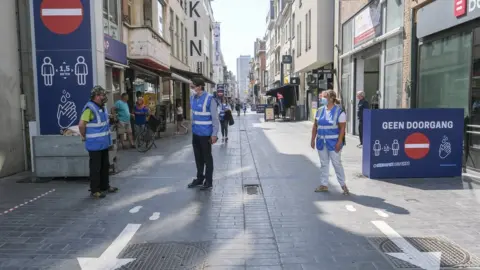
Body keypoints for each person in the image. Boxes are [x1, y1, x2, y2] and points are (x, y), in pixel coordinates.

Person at [78, 86, 118, 199]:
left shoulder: (102, 107)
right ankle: (95, 190)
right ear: (96, 96)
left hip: (104, 143)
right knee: (96, 168)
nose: (104, 97)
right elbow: (81, 124)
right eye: (102, 95)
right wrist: (84, 135)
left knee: (105, 166)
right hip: (94, 144)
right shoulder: (89, 109)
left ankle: (105, 186)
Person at [310, 89, 349, 195]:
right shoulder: (319, 110)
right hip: (321, 142)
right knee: (324, 164)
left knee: (337, 163)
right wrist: (312, 139)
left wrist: (339, 142)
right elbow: (315, 126)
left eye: (324, 97)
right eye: (322, 97)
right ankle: (324, 185)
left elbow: (342, 129)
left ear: (331, 98)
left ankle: (343, 185)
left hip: (334, 142)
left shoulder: (339, 112)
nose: (322, 99)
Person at [187, 78, 219, 190]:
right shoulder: (192, 98)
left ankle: (208, 181)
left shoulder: (210, 99)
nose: (191, 88)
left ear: (199, 87)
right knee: (198, 158)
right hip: (195, 133)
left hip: (206, 134)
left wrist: (214, 134)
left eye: (193, 86)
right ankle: (200, 178)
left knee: (207, 158)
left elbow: (215, 118)